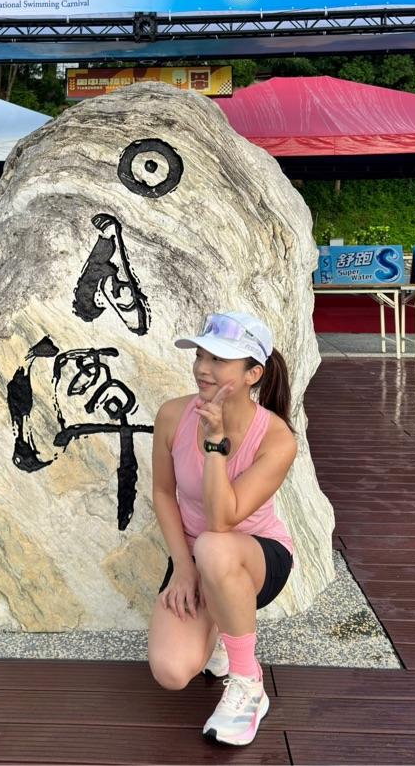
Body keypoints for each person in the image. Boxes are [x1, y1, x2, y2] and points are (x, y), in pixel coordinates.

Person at [147, 310, 297, 746]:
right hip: (197, 557)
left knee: (214, 545)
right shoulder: (173, 415)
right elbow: (163, 493)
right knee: (172, 670)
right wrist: (182, 568)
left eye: (218, 359)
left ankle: (248, 683)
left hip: (255, 559)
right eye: (200, 355)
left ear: (253, 374)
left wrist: (215, 444)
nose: (202, 368)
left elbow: (222, 520)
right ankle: (218, 633)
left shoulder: (276, 439)